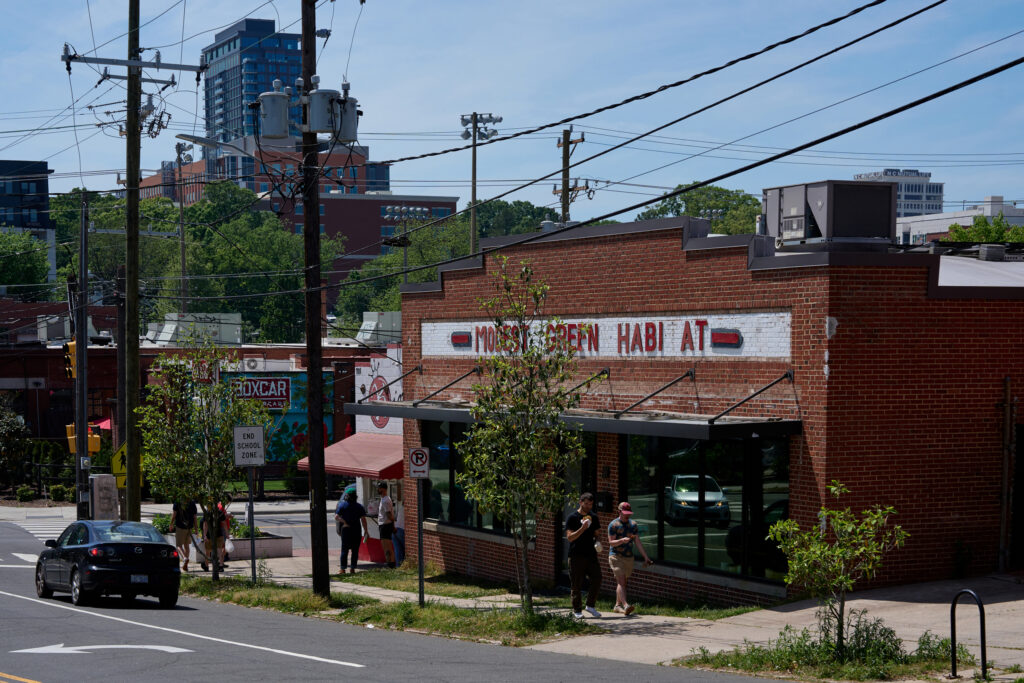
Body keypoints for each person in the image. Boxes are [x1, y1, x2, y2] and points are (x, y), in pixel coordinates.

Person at [607, 501, 652, 615]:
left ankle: (617, 606)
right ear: (619, 512)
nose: (627, 515)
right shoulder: (613, 525)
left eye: (629, 513)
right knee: (621, 581)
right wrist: (622, 540)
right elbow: (611, 542)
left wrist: (645, 557)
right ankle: (626, 605)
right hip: (615, 556)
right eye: (625, 513)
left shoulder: (633, 525)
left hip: (628, 557)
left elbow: (637, 541)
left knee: (622, 582)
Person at [565, 492, 602, 619]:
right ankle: (577, 610)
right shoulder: (572, 517)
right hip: (576, 555)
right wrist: (582, 528)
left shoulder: (594, 517)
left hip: (590, 554)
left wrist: (598, 542)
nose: (588, 507)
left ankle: (590, 605)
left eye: (591, 504)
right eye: (586, 504)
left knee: (597, 578)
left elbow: (597, 533)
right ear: (580, 502)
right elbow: (570, 537)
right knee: (576, 583)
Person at [334, 487, 368, 574]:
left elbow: (336, 517)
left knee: (344, 549)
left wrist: (344, 521)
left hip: (346, 529)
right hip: (356, 529)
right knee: (355, 550)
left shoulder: (342, 505)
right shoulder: (359, 506)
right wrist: (366, 531)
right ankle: (352, 568)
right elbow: (363, 519)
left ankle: (343, 568)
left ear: (347, 496)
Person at [201, 502, 231, 571]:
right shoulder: (220, 512)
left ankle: (206, 566)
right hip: (219, 533)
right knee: (219, 550)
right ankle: (220, 565)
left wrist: (204, 535)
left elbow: (205, 525)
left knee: (208, 551)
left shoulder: (207, 513)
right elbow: (224, 524)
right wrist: (227, 534)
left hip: (209, 534)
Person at [170, 500, 197, 572]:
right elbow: (194, 517)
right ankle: (186, 565)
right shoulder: (192, 502)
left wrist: (171, 524)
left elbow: (174, 514)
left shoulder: (178, 502)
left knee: (178, 545)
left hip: (180, 526)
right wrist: (196, 529)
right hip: (189, 527)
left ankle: (185, 558)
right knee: (186, 545)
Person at [376, 481, 396, 568]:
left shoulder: (385, 500)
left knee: (386, 546)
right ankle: (390, 563)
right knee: (386, 546)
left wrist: (393, 523)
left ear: (383, 489)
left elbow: (389, 514)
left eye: (379, 488)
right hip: (384, 525)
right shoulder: (384, 498)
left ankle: (390, 565)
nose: (378, 489)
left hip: (385, 525)